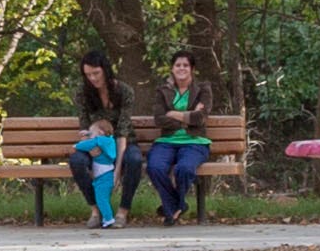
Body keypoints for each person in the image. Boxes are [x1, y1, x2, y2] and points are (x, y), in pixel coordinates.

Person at [141, 61, 211, 224]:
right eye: (178, 65)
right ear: (172, 69)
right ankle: (177, 205)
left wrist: (173, 114)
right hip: (166, 141)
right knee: (154, 167)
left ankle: (171, 208)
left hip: (195, 141)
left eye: (186, 65)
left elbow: (200, 118)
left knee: (185, 168)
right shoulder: (162, 91)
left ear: (192, 69)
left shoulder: (203, 89)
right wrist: (188, 117)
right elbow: (159, 119)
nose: (181, 68)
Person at [66, 57, 126, 228]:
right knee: (77, 161)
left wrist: (117, 169)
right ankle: (95, 210)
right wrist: (93, 149)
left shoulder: (123, 91)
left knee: (135, 160)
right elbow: (84, 125)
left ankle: (122, 212)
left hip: (119, 143)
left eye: (96, 73)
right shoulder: (82, 93)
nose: (92, 78)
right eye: (88, 75)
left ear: (105, 70)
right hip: (93, 143)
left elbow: (123, 130)